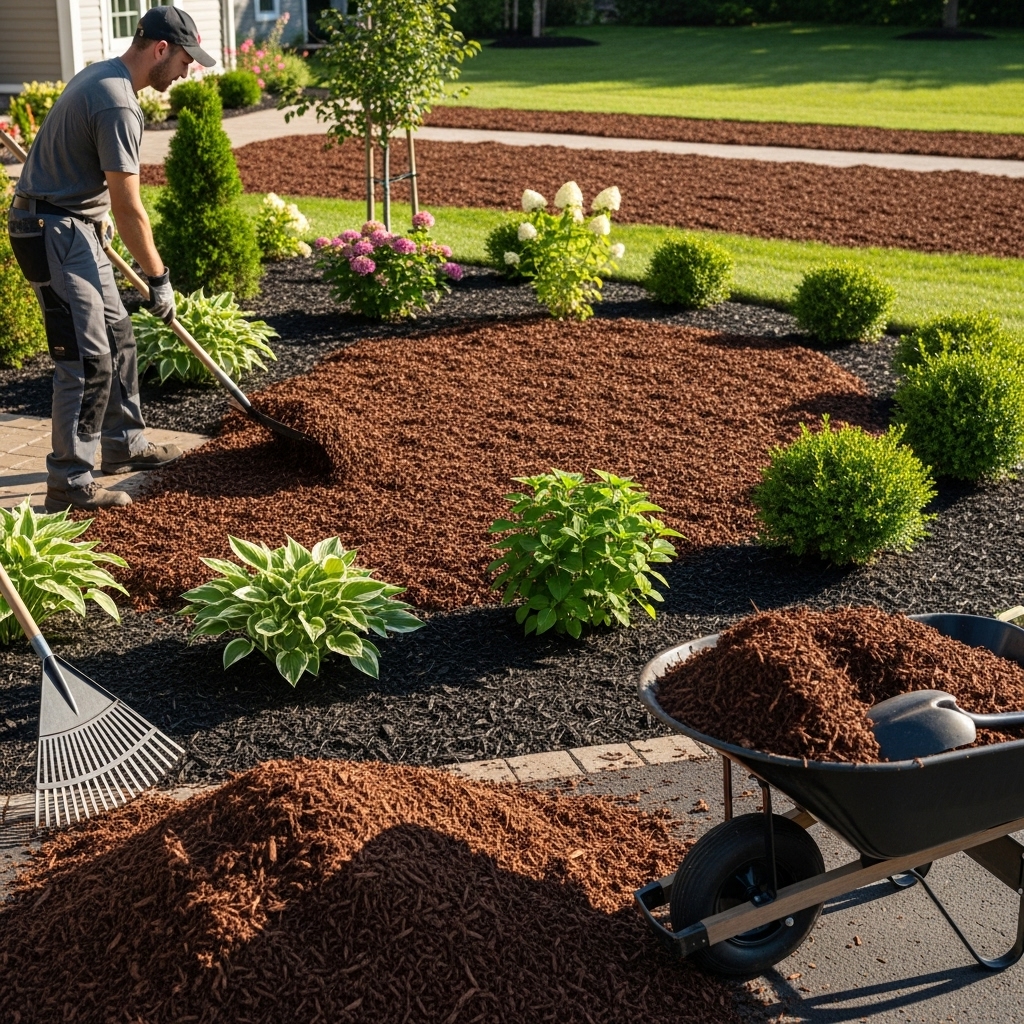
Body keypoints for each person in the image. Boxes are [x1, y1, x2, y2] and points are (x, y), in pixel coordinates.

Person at [6, 7, 217, 511]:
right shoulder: (118, 102)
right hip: (53, 231)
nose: (187, 71)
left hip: (74, 225)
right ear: (161, 49)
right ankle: (69, 481)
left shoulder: (105, 76)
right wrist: (159, 277)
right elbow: (129, 208)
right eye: (185, 60)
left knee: (118, 335)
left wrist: (94, 223)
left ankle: (125, 444)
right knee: (86, 358)